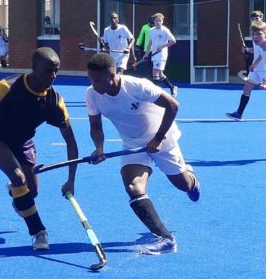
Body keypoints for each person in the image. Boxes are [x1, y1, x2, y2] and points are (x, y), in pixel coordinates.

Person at [85, 52, 200, 255]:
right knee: (133, 187)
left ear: (111, 75)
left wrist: (157, 138)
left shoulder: (136, 86)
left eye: (97, 80)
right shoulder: (92, 95)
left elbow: (173, 106)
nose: (93, 85)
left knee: (183, 185)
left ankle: (192, 179)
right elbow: (96, 127)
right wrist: (99, 148)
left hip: (162, 139)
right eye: (91, 79)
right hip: (132, 144)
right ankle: (165, 239)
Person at [0, 47, 78, 250]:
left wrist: (70, 180)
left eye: (56, 71)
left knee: (31, 192)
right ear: (33, 67)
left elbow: (70, 141)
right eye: (48, 71)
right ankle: (39, 232)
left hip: (23, 142)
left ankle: (18, 197)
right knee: (18, 177)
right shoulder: (7, 87)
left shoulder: (55, 101)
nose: (53, 76)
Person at [226, 20, 266, 120]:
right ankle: (239, 114)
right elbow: (261, 55)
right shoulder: (260, 45)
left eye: (259, 34)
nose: (255, 36)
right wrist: (254, 64)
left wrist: (265, 81)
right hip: (257, 70)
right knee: (247, 88)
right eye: (253, 34)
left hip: (264, 70)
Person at [143, 12, 178, 97]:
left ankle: (157, 94)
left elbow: (173, 41)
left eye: (160, 21)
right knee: (160, 74)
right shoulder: (151, 30)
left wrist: (162, 46)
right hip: (154, 55)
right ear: (153, 21)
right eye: (156, 20)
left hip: (162, 55)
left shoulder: (165, 30)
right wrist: (146, 54)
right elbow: (150, 43)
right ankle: (172, 87)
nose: (158, 22)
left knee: (155, 72)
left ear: (162, 21)